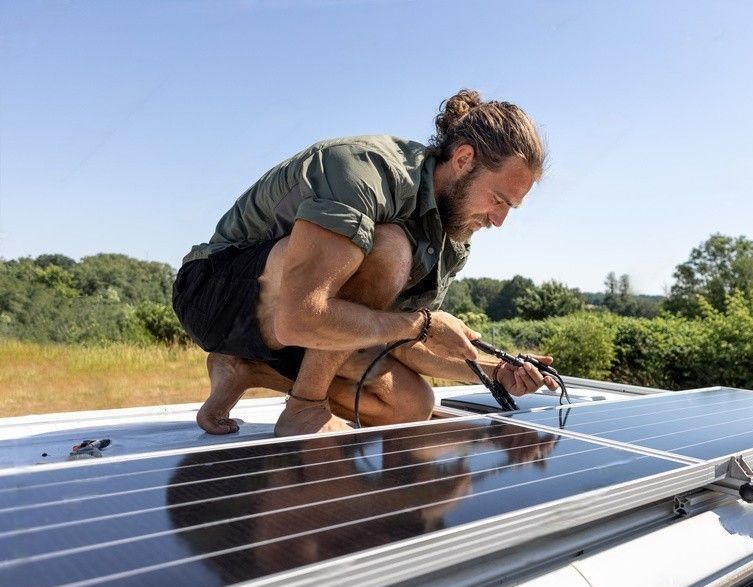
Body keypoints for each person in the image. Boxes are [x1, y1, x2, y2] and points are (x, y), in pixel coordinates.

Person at [173, 90, 558, 436]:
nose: (498, 220)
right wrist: (423, 324)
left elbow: (396, 338)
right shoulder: (367, 171)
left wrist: (496, 371)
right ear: (463, 158)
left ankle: (246, 369)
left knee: (410, 406)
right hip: (216, 295)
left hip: (296, 330)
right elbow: (300, 318)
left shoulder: (452, 238)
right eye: (498, 200)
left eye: (511, 208)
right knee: (389, 248)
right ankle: (304, 408)